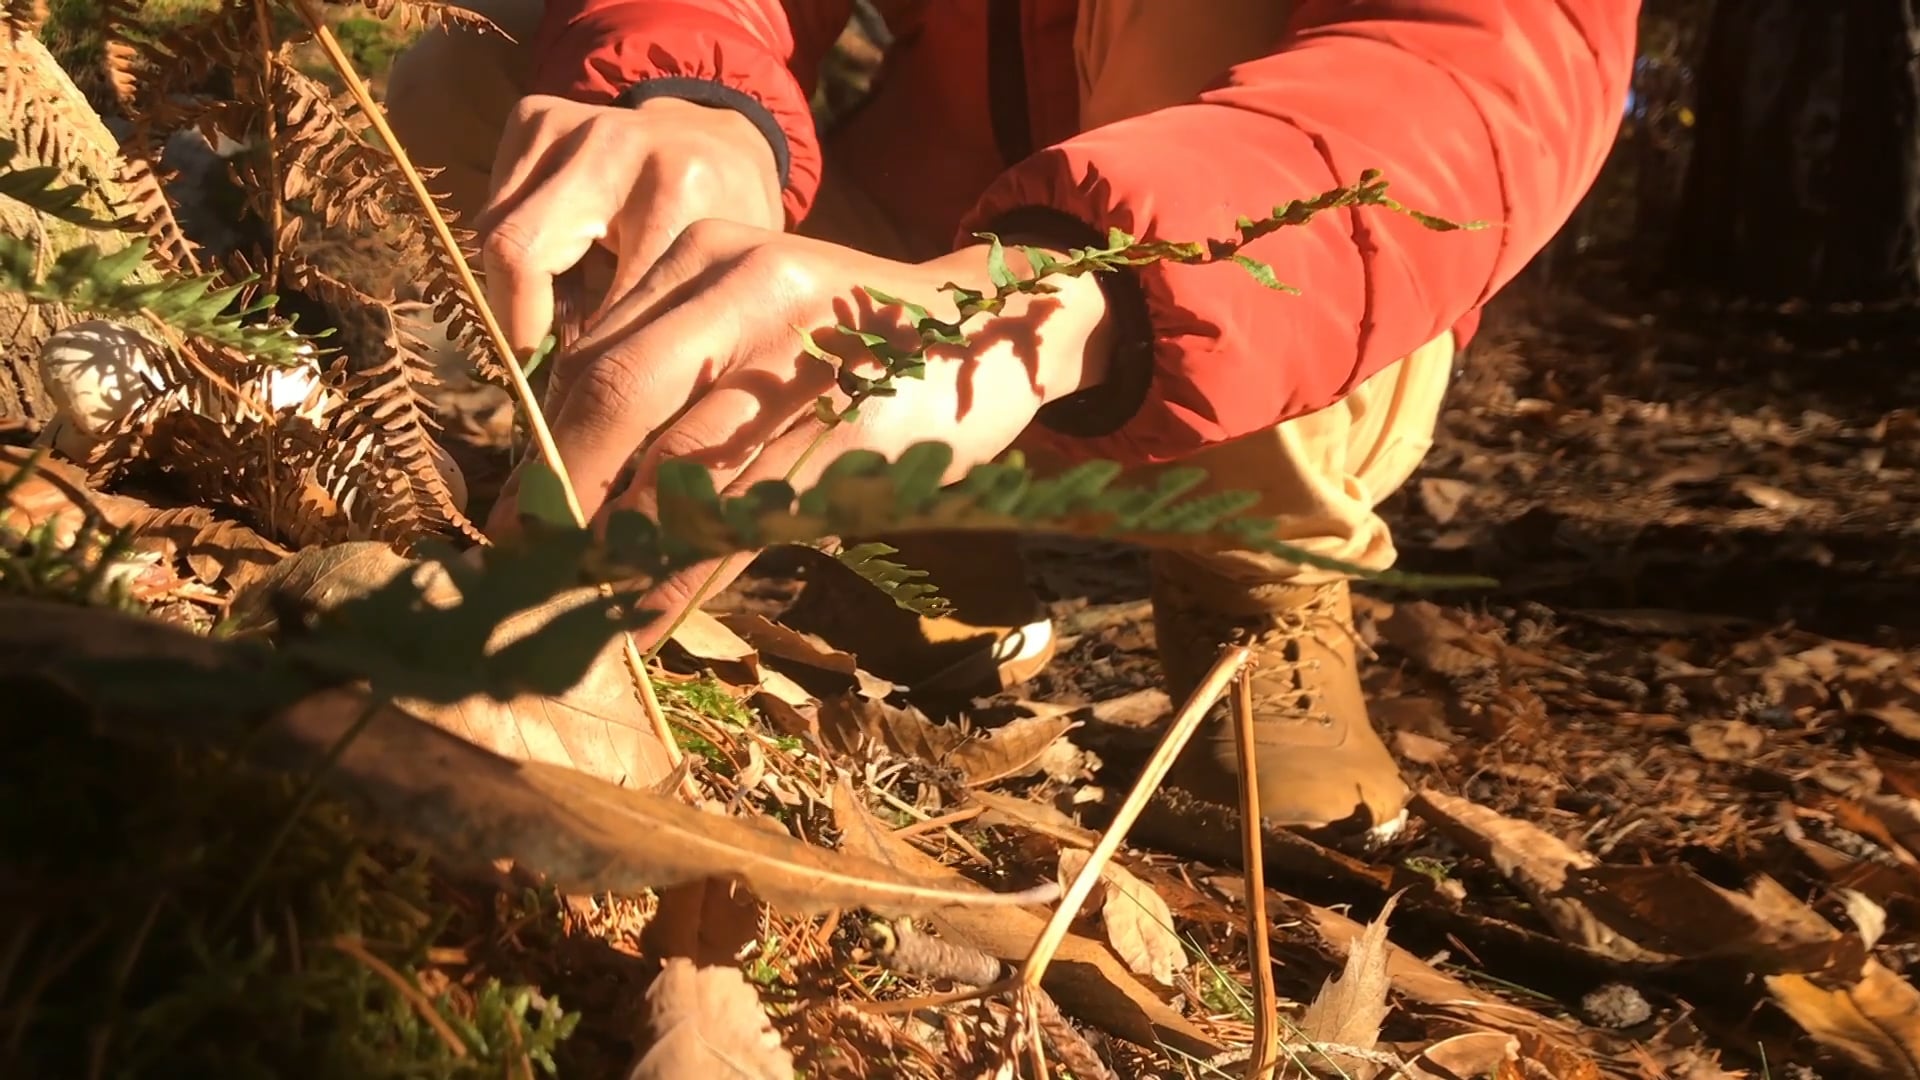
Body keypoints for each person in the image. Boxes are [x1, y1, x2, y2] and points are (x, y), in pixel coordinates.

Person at [386, 0, 1638, 843]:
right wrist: (705, 93)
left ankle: (1251, 581)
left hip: (1235, 326)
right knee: (474, 66)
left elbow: (1483, 80)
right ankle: (908, 537)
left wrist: (1024, 305)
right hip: (909, 256)